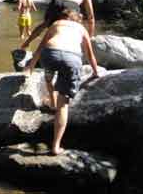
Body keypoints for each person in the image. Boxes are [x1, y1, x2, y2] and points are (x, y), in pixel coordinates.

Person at [25, 8, 99, 155]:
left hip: (49, 55)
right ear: (77, 19)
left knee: (49, 77)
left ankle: (51, 102)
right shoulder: (81, 28)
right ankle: (55, 146)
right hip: (71, 59)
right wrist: (96, 73)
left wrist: (30, 67)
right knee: (63, 105)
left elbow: (40, 48)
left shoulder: (57, 23)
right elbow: (89, 55)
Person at [21, 0, 95, 50]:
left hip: (57, 1)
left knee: (45, 24)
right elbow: (91, 18)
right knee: (72, 28)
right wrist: (90, 39)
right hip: (71, 4)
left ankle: (26, 43)